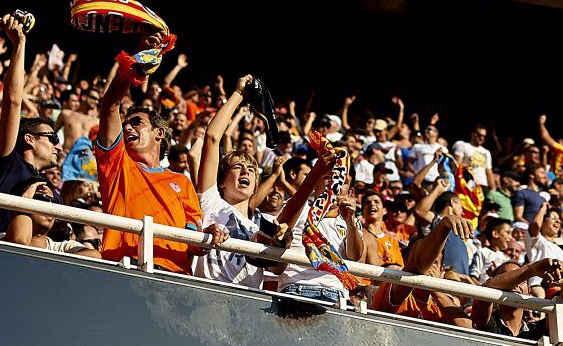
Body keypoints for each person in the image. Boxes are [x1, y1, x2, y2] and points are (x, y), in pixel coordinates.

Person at [95, 35, 217, 274]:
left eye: (137, 123)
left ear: (159, 133)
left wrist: (208, 238)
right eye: (126, 123)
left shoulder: (182, 182)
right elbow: (110, 104)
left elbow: (192, 238)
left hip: (174, 277)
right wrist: (136, 61)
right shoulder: (117, 165)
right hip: (123, 269)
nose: (128, 127)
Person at [193, 73, 279, 287]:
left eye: (251, 170)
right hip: (207, 296)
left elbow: (278, 268)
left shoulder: (259, 230)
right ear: (221, 181)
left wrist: (280, 242)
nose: (246, 173)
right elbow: (212, 138)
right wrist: (239, 94)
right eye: (238, 167)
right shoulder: (211, 200)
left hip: (244, 307)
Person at [0, 16, 61, 234]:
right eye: (52, 138)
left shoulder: (51, 188)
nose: (58, 146)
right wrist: (19, 44)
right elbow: (12, 101)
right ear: (29, 139)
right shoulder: (8, 162)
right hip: (7, 245)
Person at [276, 141, 365, 305]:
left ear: (350, 191)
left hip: (337, 296)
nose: (333, 184)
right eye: (327, 178)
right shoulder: (300, 209)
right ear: (316, 182)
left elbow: (354, 256)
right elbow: (283, 224)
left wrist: (350, 222)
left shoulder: (352, 221)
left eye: (342, 181)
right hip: (296, 289)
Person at [372, 213, 475, 324]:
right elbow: (418, 265)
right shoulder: (392, 287)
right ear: (406, 261)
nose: (427, 266)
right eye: (427, 260)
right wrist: (443, 227)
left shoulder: (441, 305)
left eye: (434, 262)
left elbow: (468, 330)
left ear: (441, 269)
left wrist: (436, 290)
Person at [5, 177, 100, 257]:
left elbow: (95, 256)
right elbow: (19, 241)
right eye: (43, 199)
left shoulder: (62, 248)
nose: (50, 207)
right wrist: (24, 203)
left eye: (53, 202)